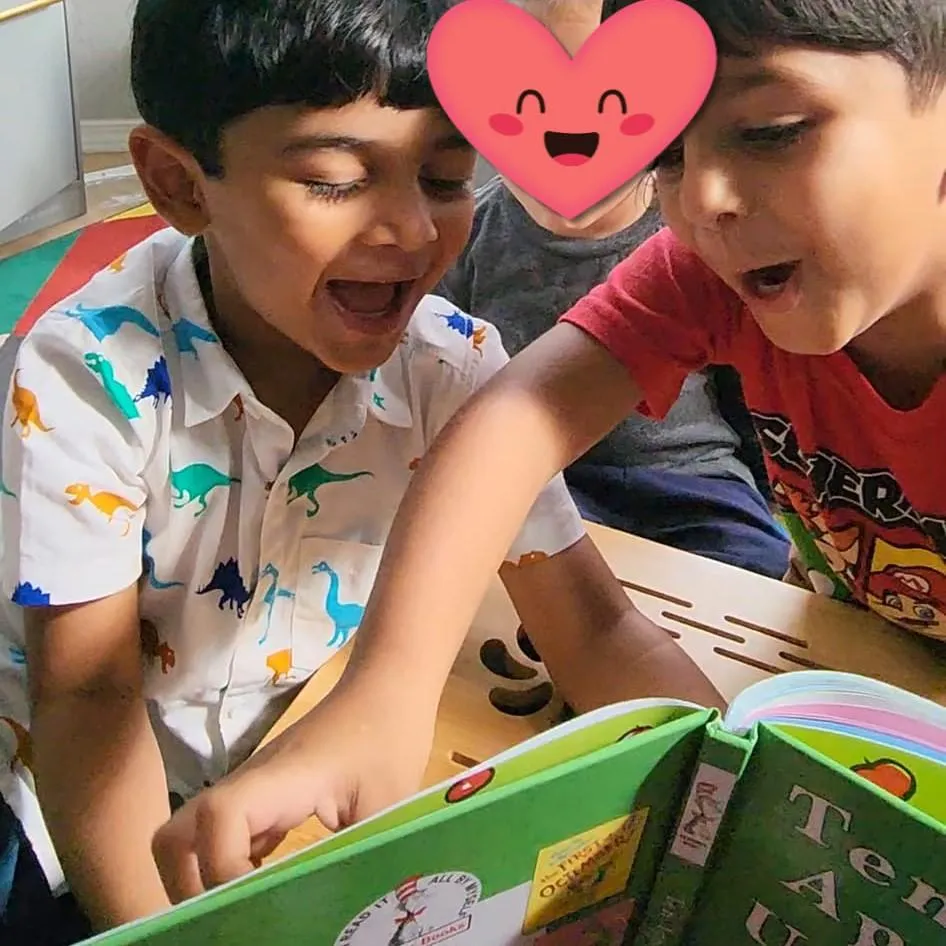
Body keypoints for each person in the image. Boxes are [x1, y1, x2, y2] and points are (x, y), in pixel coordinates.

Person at [150, 0, 946, 901]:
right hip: (856, 659)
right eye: (671, 157)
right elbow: (511, 420)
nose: (702, 201)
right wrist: (385, 692)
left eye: (772, 132)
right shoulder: (703, 276)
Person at [0, 0, 722, 937]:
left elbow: (595, 629)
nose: (412, 230)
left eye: (448, 175)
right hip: (74, 802)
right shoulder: (82, 374)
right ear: (178, 184)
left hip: (294, 778)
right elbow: (87, 702)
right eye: (338, 180)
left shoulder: (454, 367)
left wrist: (738, 779)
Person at [437, 0, 789, 579]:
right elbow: (443, 381)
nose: (571, 130)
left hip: (692, 483)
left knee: (757, 564)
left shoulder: (696, 237)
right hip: (549, 480)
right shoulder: (470, 232)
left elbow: (754, 401)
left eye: (610, 100)